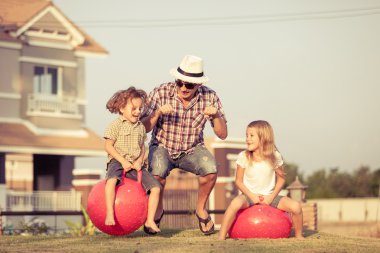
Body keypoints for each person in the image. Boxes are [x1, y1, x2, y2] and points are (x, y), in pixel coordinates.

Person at [141, 55, 228, 235]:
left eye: (188, 85)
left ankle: (201, 210)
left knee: (211, 169)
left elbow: (222, 134)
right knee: (157, 173)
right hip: (163, 145)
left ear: (199, 85)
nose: (183, 88)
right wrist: (157, 113)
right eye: (179, 82)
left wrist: (216, 116)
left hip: (192, 148)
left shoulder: (210, 97)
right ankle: (158, 211)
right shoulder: (160, 92)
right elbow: (145, 128)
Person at [218, 120, 304, 240]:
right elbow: (238, 181)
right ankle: (221, 237)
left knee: (296, 207)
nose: (248, 139)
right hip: (249, 196)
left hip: (270, 196)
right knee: (234, 204)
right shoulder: (244, 156)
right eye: (246, 135)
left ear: (263, 138)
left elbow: (281, 179)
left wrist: (271, 197)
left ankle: (299, 236)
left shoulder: (275, 156)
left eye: (252, 136)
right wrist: (252, 196)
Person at [104, 87, 162, 235]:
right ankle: (110, 212)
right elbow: (108, 146)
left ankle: (150, 220)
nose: (138, 112)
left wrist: (139, 161)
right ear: (122, 108)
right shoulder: (115, 125)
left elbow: (143, 147)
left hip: (135, 164)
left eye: (140, 108)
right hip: (118, 161)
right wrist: (122, 161)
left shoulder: (141, 127)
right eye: (134, 108)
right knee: (111, 181)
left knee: (155, 188)